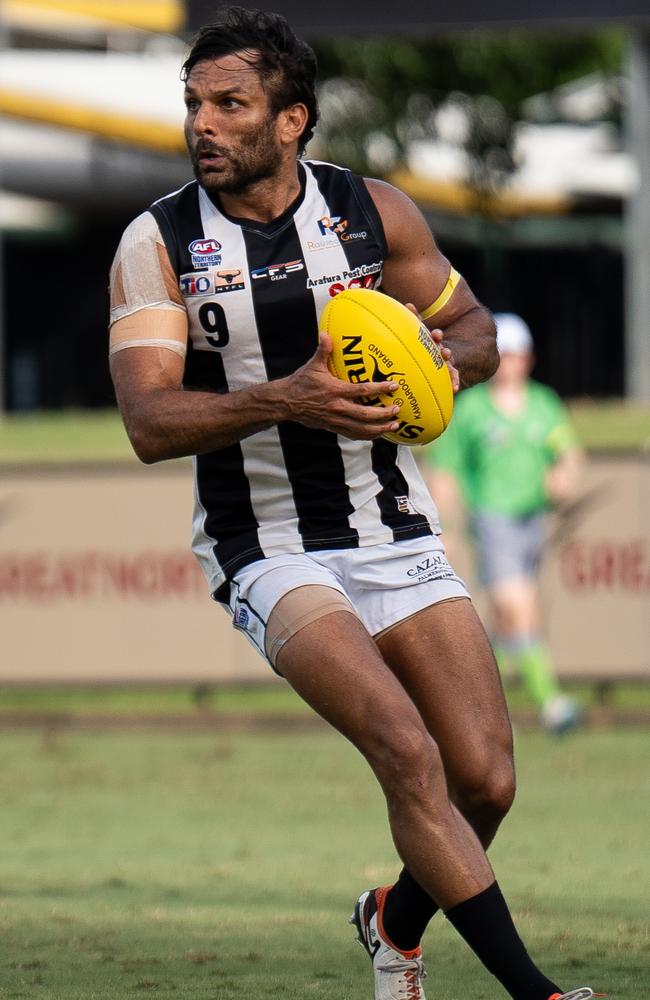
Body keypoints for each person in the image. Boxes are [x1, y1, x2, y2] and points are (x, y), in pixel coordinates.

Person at [108, 8, 599, 1000]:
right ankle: (536, 992)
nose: (203, 123)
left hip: (391, 526)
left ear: (289, 120)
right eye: (193, 103)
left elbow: (470, 334)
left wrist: (429, 371)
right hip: (265, 546)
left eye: (229, 104)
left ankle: (390, 920)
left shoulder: (372, 214)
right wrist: (284, 393)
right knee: (402, 744)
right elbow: (150, 422)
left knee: (485, 780)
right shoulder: (157, 242)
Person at [427, 313, 584, 734]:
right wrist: (441, 527)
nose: (512, 364)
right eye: (505, 355)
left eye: (518, 355)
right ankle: (551, 702)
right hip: (492, 520)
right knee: (519, 608)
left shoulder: (543, 404)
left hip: (533, 520)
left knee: (504, 621)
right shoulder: (472, 410)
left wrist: (564, 477)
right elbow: (446, 470)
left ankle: (467, 709)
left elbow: (567, 451)